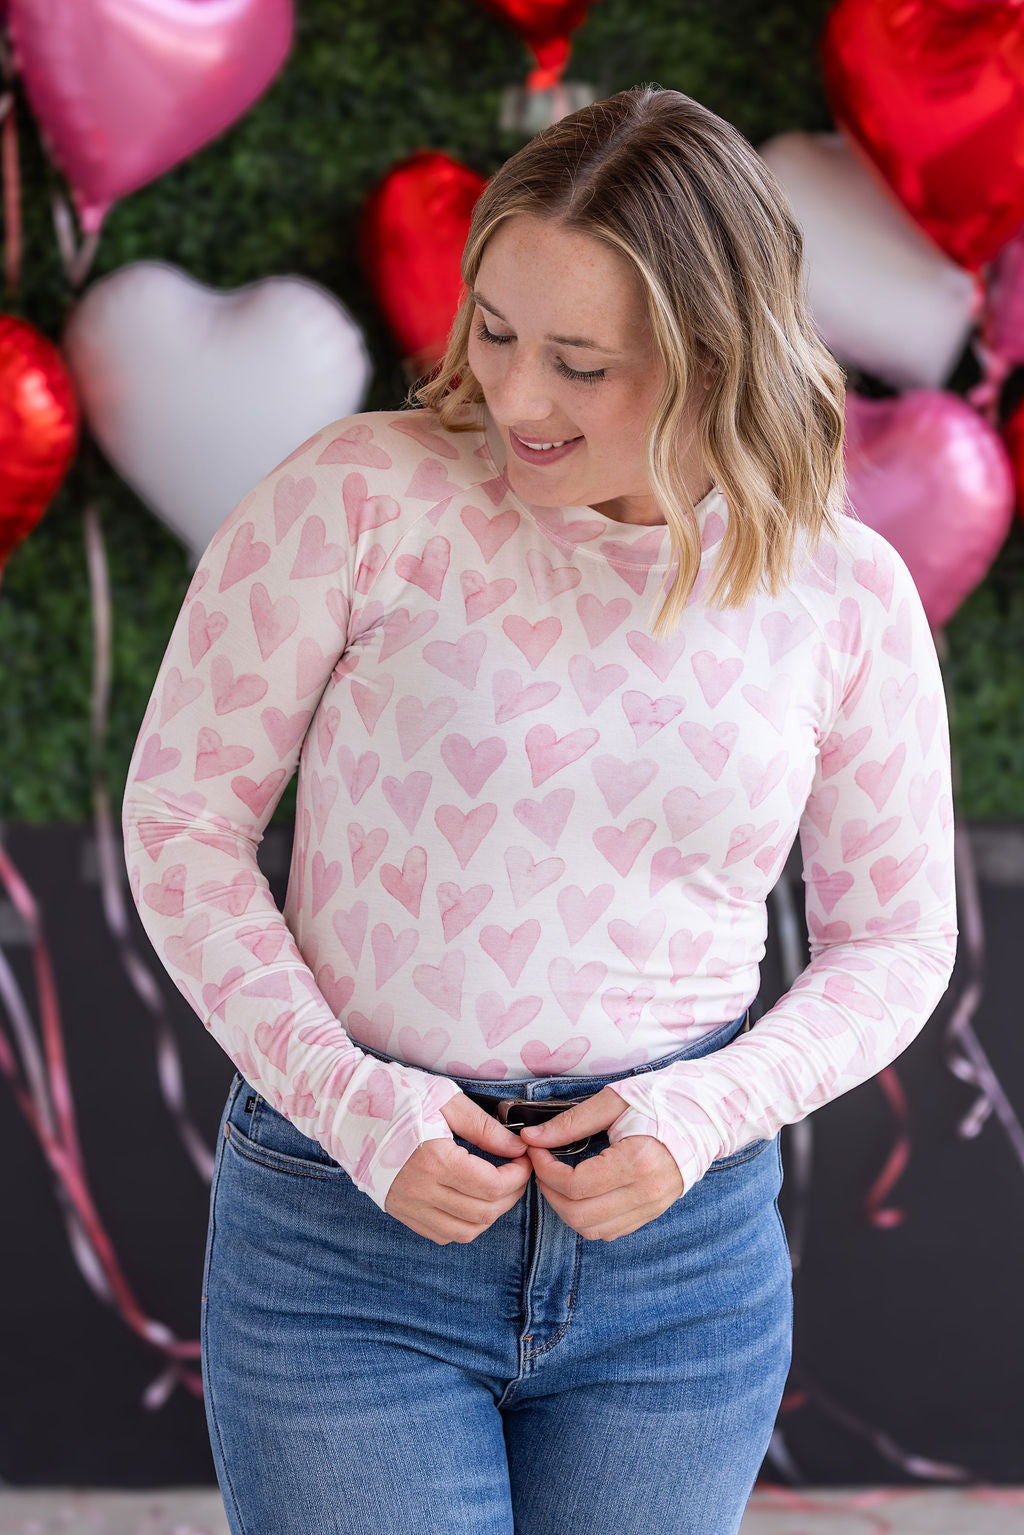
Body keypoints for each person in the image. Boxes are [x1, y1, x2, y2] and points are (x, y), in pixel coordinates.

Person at [121, 84, 958, 1535]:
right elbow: (182, 822)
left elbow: (894, 942)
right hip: (348, 1242)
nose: (515, 397)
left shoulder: (844, 595)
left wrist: (704, 1112)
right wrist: (350, 1105)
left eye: (582, 364)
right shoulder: (359, 499)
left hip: (677, 1271)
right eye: (497, 331)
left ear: (716, 357)